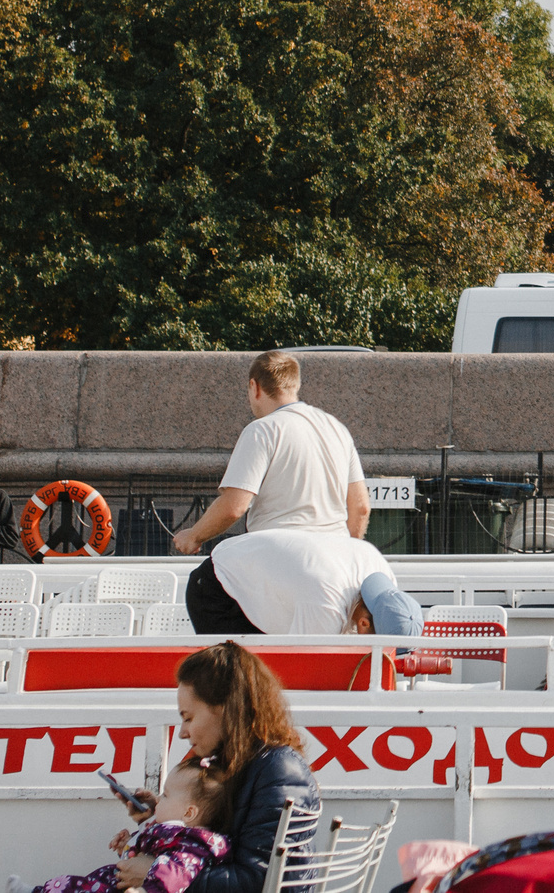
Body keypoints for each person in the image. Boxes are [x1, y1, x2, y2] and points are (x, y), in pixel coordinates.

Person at [175, 352, 368, 635]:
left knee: (203, 587)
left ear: (254, 387)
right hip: (333, 569)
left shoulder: (262, 431)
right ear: (295, 385)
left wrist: (193, 536)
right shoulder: (337, 430)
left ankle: (243, 663)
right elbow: (361, 508)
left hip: (280, 563)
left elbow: (234, 506)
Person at [129, 642, 318, 893]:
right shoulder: (250, 765)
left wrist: (157, 873)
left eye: (188, 718)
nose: (183, 732)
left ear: (225, 709)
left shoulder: (278, 771)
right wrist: (164, 815)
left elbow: (258, 880)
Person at [11, 760, 230, 893]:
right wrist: (130, 844)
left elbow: (176, 875)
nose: (159, 799)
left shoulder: (192, 844)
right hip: (116, 881)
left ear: (189, 813)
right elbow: (150, 850)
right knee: (76, 885)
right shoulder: (172, 833)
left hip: (124, 887)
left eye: (166, 795)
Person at [199, 528, 423, 637]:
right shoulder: (327, 604)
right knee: (239, 687)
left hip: (251, 566)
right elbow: (303, 666)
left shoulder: (381, 571)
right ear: (363, 624)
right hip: (220, 587)